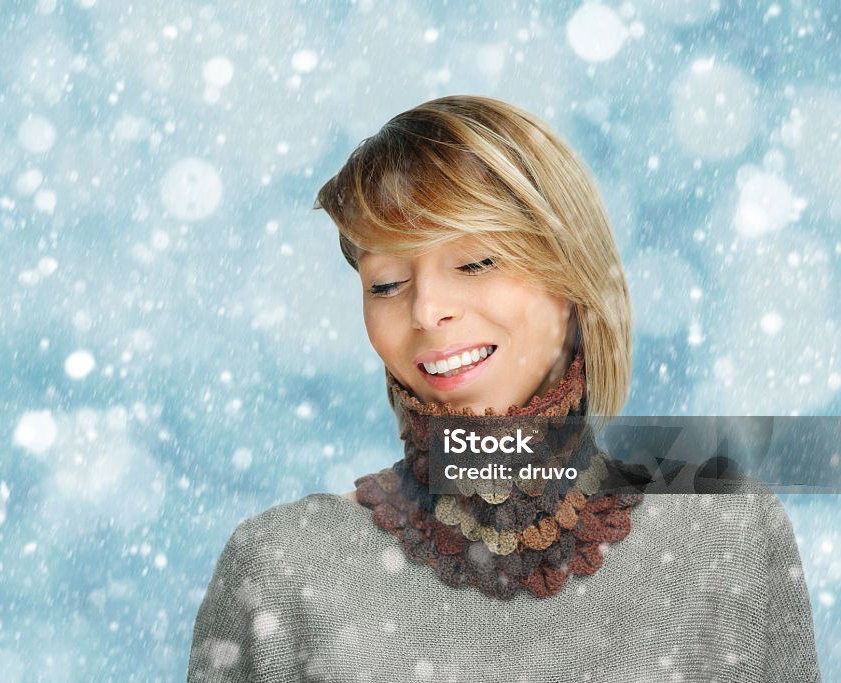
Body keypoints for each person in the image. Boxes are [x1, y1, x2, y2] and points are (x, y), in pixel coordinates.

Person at [187, 96, 821, 681]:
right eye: (385, 283)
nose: (427, 309)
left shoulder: (726, 532)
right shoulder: (283, 566)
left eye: (476, 262)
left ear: (573, 277)